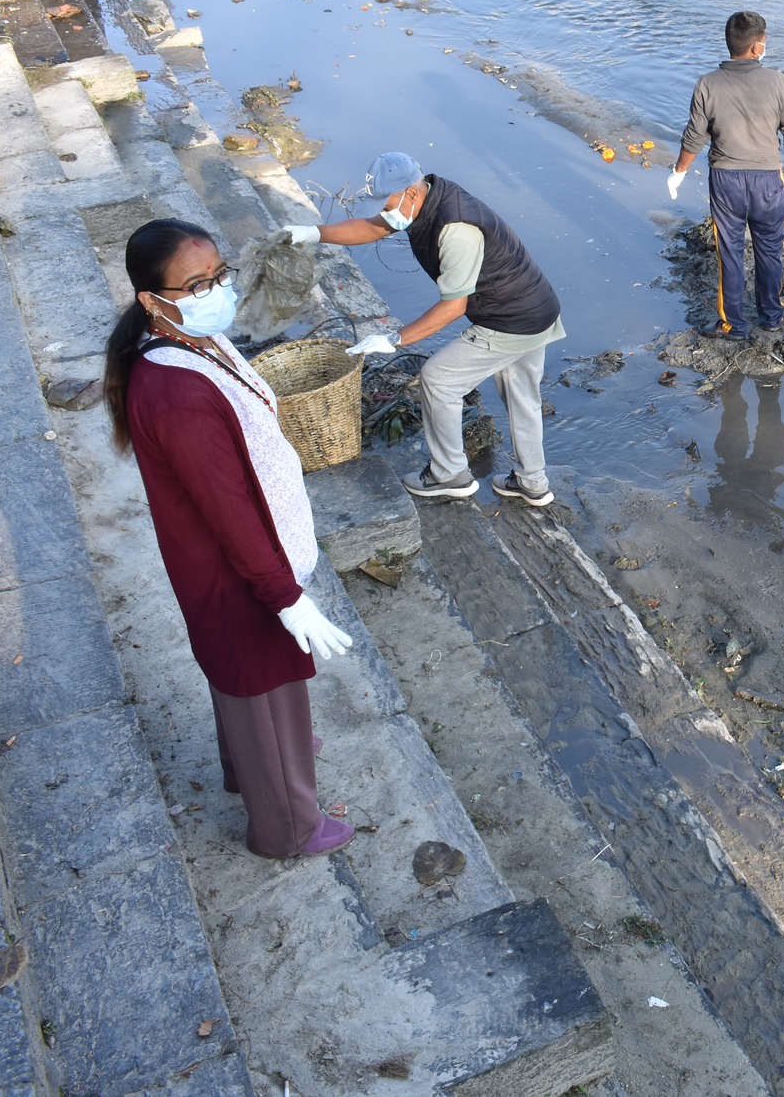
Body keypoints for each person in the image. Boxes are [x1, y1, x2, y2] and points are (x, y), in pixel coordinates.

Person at [104, 219, 355, 860]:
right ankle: (288, 828)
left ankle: (256, 763)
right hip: (236, 568)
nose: (214, 291)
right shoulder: (176, 391)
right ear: (152, 301)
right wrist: (284, 593)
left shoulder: (197, 341)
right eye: (194, 285)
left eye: (218, 276)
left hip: (249, 554)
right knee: (260, 680)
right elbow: (228, 508)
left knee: (254, 684)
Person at [285, 152, 563, 505]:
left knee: (438, 379)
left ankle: (449, 475)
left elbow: (453, 306)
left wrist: (394, 339)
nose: (384, 213)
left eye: (385, 204)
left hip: (509, 319)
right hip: (535, 305)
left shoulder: (455, 229)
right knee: (521, 394)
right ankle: (532, 482)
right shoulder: (428, 198)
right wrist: (313, 233)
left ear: (411, 194)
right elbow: (373, 227)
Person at [668, 12, 784, 339]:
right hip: (768, 180)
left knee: (730, 252)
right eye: (764, 41)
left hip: (726, 181)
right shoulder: (778, 81)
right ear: (756, 48)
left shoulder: (707, 83)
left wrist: (679, 172)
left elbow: (694, 137)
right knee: (770, 249)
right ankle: (770, 316)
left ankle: (733, 325)